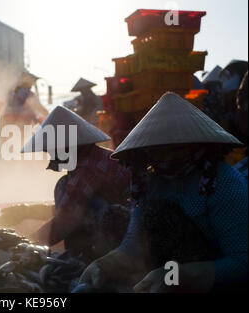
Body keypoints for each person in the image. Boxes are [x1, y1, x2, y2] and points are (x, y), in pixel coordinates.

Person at [79, 92, 248, 293]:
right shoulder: (151, 183)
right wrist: (105, 264)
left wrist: (176, 275)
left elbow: (242, 262)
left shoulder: (224, 183)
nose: (166, 157)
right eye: (158, 150)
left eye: (175, 149)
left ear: (195, 144)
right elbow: (133, 247)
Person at [21, 105, 131, 262]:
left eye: (53, 150)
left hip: (125, 231)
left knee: (75, 206)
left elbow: (67, 219)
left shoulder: (88, 167)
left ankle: (90, 257)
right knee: (64, 186)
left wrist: (26, 244)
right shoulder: (96, 157)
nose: (50, 155)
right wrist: (27, 212)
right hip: (120, 220)